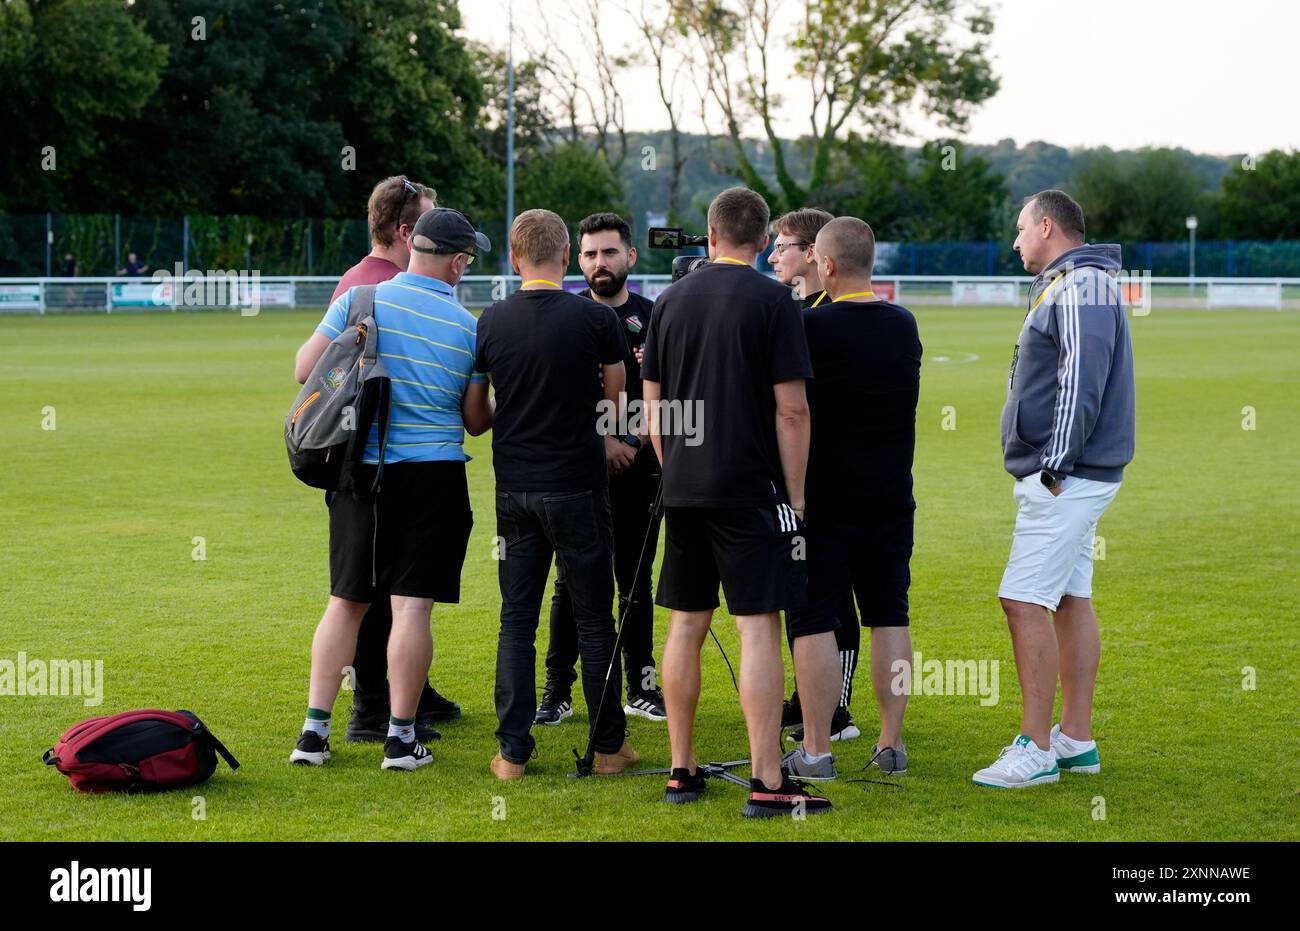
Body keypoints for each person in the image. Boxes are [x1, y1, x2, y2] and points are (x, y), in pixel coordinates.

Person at [641, 186, 831, 818]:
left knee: (686, 624)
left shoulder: (669, 299)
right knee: (757, 627)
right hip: (751, 488)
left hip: (686, 486)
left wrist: (676, 471)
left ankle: (681, 770)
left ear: (711, 234)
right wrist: (796, 496)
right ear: (762, 238)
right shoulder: (777, 301)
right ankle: (767, 779)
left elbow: (653, 410)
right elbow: (792, 408)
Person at [288, 208, 493, 771]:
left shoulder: (360, 301)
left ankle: (313, 733)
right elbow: (475, 420)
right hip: (433, 477)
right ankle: (401, 740)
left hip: (360, 472)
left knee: (346, 602)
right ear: (455, 262)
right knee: (411, 608)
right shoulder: (469, 329)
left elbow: (306, 368)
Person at [973, 189, 1135, 789]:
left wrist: (1054, 466)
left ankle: (1036, 749)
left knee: (1022, 600)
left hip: (1067, 476)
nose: (1015, 241)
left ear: (1047, 225)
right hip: (1075, 473)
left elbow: (1080, 381)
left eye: (1020, 229)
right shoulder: (1076, 283)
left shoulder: (1081, 286)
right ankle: (1075, 741)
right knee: (1068, 598)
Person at [476, 208, 639, 780]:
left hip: (515, 492)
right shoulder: (596, 321)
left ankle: (513, 755)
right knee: (595, 620)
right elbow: (615, 408)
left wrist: (514, 403)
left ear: (515, 259)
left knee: (516, 620)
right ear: (567, 258)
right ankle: (609, 748)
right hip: (578, 490)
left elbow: (475, 417)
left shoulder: (491, 321)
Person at [318, 175, 464, 742]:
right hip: (395, 464)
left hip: (361, 464)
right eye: (426, 219)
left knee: (361, 594)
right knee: (388, 598)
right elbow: (323, 370)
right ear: (408, 231)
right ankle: (378, 708)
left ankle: (373, 708)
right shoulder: (377, 287)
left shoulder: (361, 283)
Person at [781, 217, 921, 782]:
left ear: (827, 265)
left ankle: (817, 749)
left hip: (824, 499)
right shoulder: (903, 324)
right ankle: (891, 746)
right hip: (890, 494)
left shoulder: (808, 327)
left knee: (813, 620)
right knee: (890, 615)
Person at [534, 212, 666, 727]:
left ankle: (643, 685)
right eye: (589, 254)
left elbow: (672, 396)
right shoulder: (567, 317)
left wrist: (634, 441)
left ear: (630, 257)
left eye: (609, 252)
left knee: (636, 581)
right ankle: (556, 690)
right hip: (579, 474)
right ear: (576, 259)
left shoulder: (657, 315)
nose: (599, 263)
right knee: (569, 582)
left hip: (643, 471)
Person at [769, 207, 864, 748]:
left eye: (782, 246)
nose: (773, 255)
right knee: (802, 592)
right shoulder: (795, 311)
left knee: (833, 596)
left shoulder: (831, 316)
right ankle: (810, 697)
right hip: (795, 482)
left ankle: (837, 708)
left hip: (829, 482)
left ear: (813, 254)